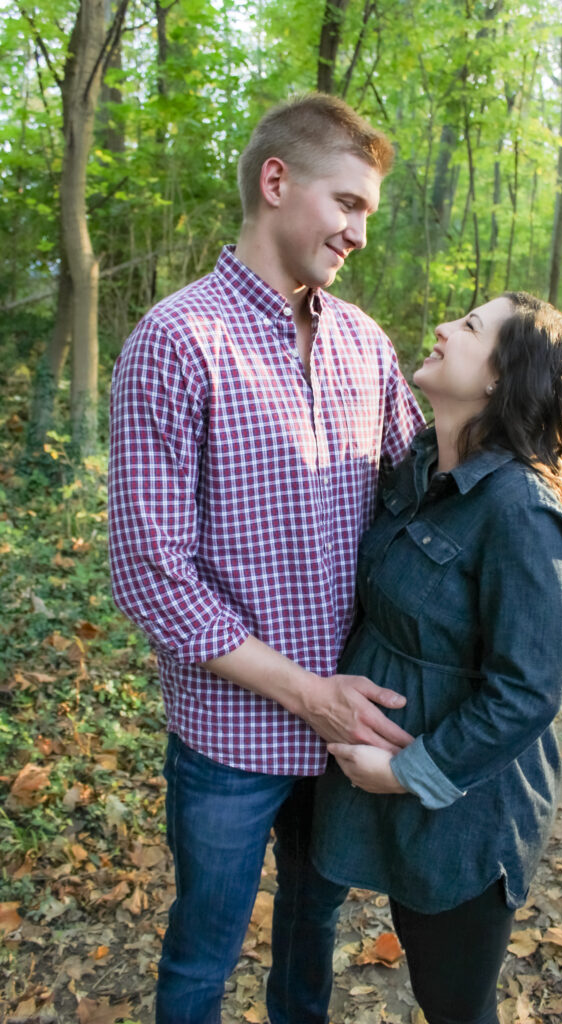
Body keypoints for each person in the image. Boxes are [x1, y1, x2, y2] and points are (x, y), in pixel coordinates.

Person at [107, 92, 424, 1024]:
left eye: (368, 212)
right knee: (202, 954)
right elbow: (150, 573)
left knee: (311, 939)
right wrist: (306, 692)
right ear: (277, 181)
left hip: (343, 736)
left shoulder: (364, 342)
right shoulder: (176, 340)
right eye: (349, 204)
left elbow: (417, 505)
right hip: (227, 740)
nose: (359, 232)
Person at [311, 292, 562, 1024]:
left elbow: (529, 691)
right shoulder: (416, 468)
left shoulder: (516, 511)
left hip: (464, 807)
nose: (442, 327)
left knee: (453, 1005)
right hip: (376, 789)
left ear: (501, 378)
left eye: (470, 327)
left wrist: (404, 773)